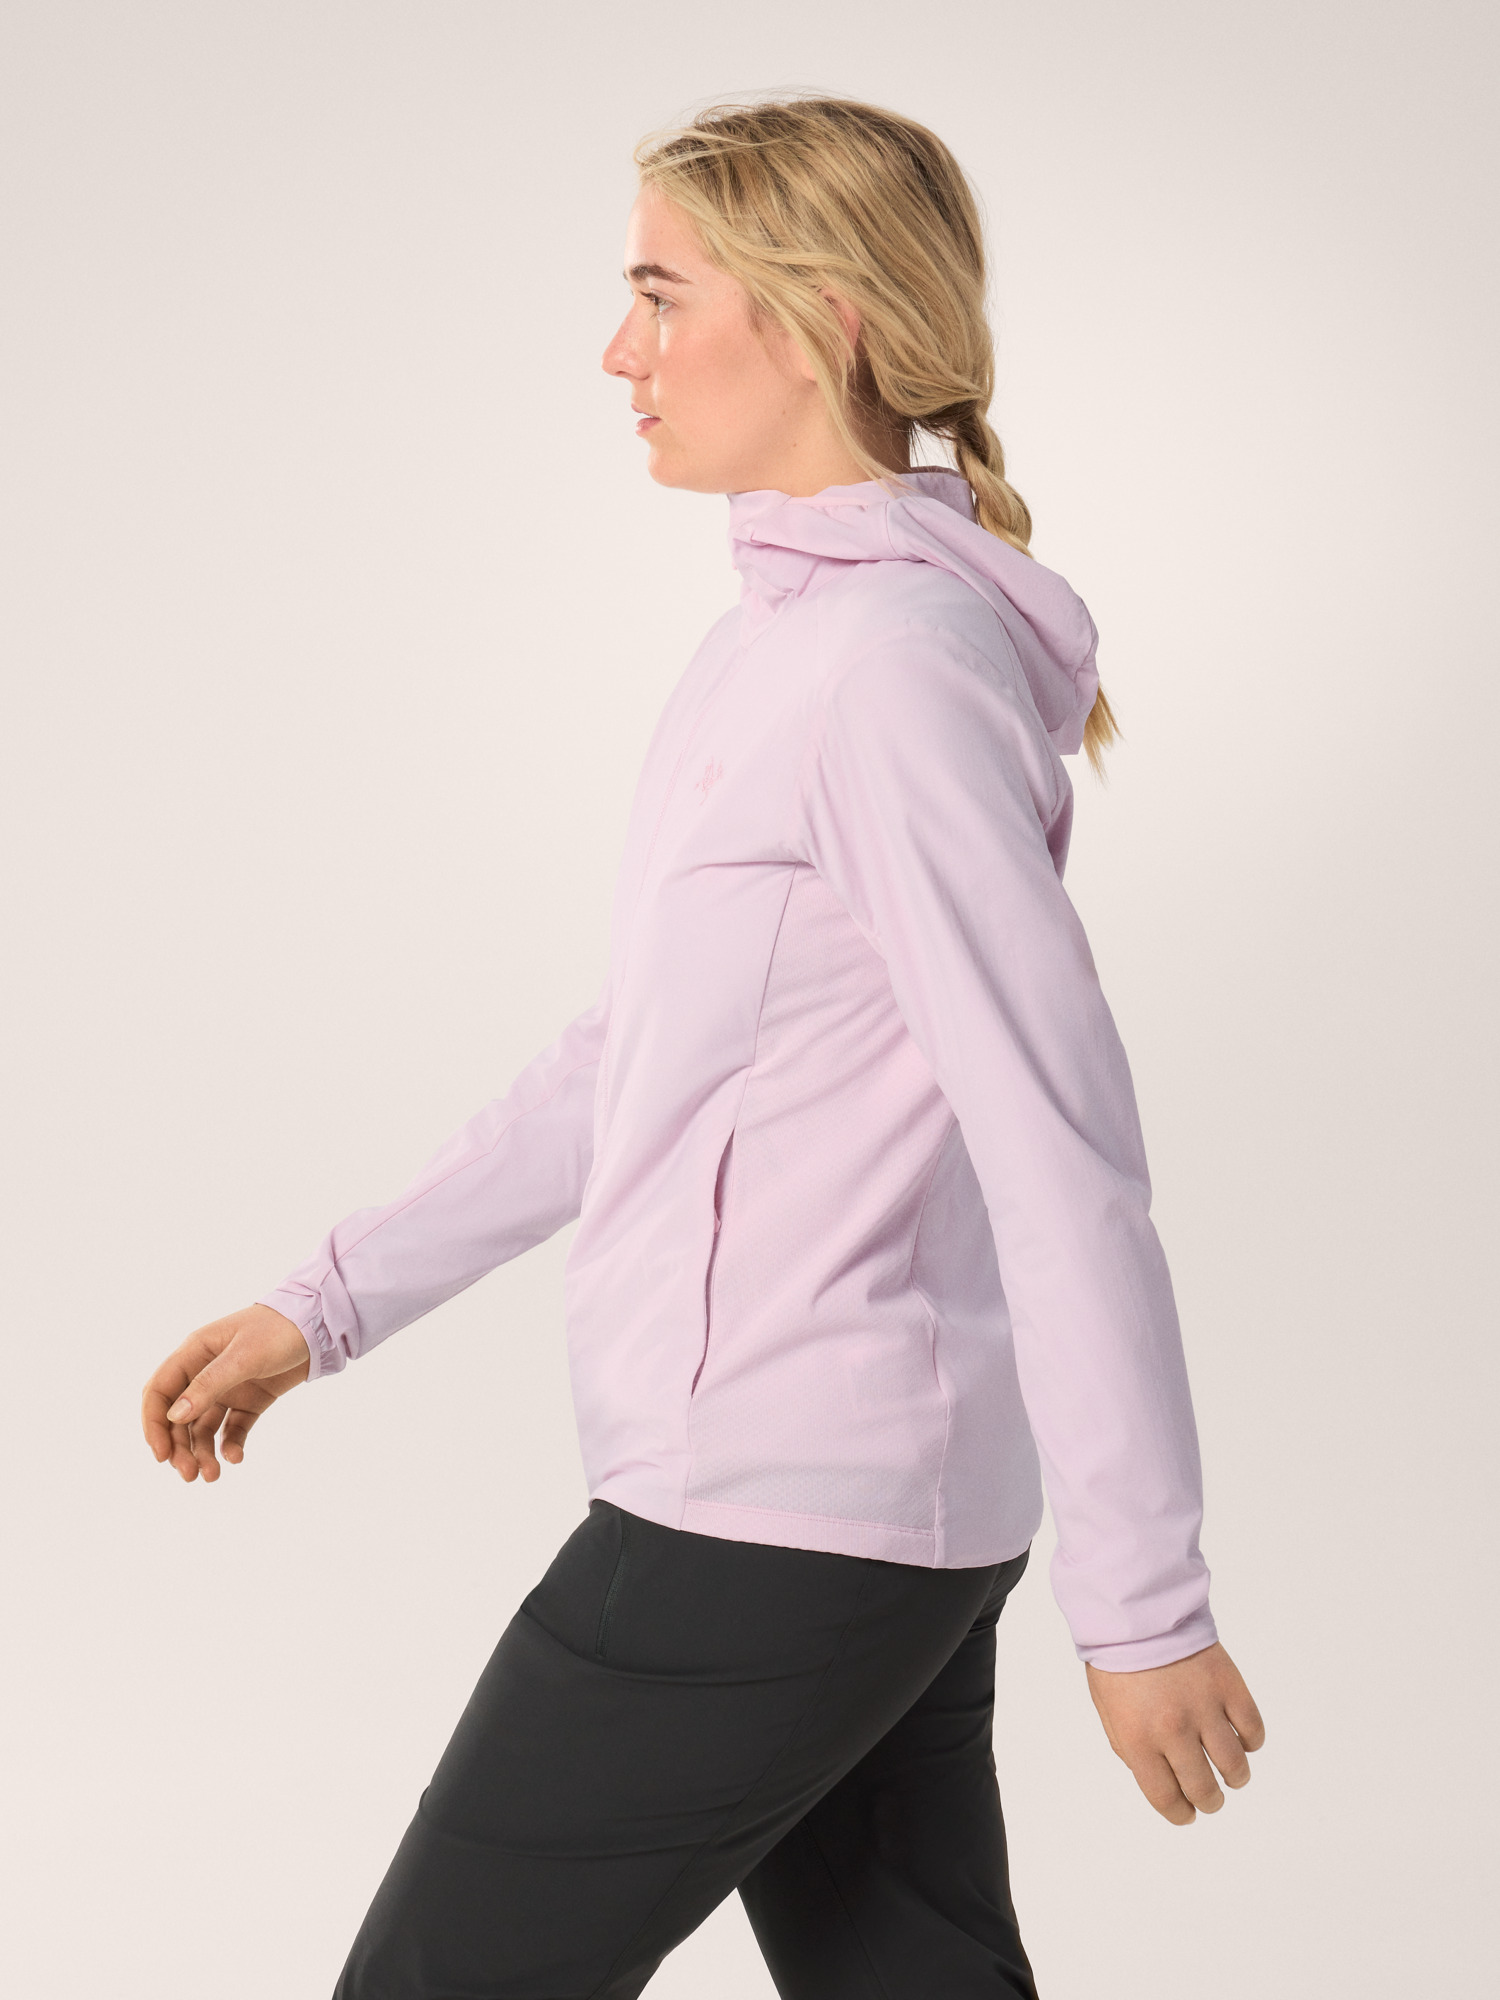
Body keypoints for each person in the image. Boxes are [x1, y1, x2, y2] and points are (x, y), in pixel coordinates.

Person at [141, 95, 1265, 1999]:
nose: (619, 350)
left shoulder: (884, 677)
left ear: (825, 319)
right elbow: (645, 1052)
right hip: (856, 1510)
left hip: (774, 1518)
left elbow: (1058, 1142)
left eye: (662, 295)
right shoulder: (788, 643)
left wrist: (1145, 1597)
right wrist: (323, 1305)